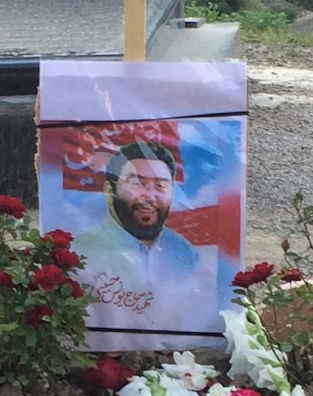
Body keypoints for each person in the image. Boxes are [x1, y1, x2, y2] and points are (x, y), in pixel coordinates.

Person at [76, 139, 220, 338]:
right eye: (137, 183)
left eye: (160, 186)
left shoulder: (184, 251)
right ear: (110, 192)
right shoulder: (80, 253)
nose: (150, 197)